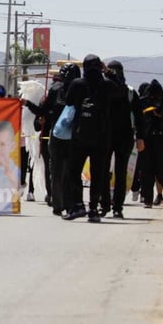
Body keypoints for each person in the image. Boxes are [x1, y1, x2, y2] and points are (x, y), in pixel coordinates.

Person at [62, 54, 118, 223]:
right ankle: (94, 209)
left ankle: (78, 205)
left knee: (74, 172)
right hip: (102, 137)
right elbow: (120, 89)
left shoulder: (78, 84)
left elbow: (68, 101)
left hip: (79, 136)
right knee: (98, 174)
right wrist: (108, 72)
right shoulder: (108, 85)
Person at [23, 62, 80, 216]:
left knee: (55, 171)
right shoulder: (82, 89)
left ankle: (57, 204)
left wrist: (29, 104)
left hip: (56, 136)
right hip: (75, 137)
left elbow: (42, 111)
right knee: (71, 172)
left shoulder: (54, 89)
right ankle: (71, 204)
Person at [99, 60, 145, 219]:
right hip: (108, 135)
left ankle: (115, 206)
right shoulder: (103, 89)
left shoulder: (129, 92)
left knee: (117, 172)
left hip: (121, 136)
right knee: (109, 172)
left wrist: (140, 137)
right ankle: (107, 204)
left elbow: (139, 117)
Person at [139, 80, 163, 208]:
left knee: (162, 170)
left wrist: (160, 113)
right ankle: (148, 199)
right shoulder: (143, 101)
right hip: (147, 140)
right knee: (147, 171)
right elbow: (137, 118)